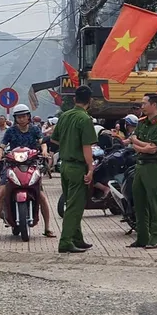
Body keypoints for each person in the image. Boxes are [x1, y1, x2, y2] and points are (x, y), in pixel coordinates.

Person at [0, 104, 55, 238]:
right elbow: (2, 145)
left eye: (24, 116)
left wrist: (45, 151)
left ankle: (47, 228)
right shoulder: (10, 131)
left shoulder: (35, 129)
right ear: (15, 118)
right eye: (19, 117)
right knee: (1, 193)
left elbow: (43, 142)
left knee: (41, 196)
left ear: (28, 117)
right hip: (12, 165)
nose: (22, 119)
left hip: (31, 165)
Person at [52, 85, 97, 254]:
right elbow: (87, 147)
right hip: (78, 167)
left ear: (74, 99)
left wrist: (68, 144)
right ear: (90, 101)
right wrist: (90, 168)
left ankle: (78, 238)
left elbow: (54, 140)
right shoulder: (84, 119)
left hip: (64, 166)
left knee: (72, 202)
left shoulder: (64, 116)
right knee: (74, 206)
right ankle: (66, 241)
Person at [129, 93, 157, 250]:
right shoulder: (142, 122)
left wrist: (137, 144)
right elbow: (138, 143)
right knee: (139, 203)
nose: (142, 106)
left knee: (154, 204)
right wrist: (142, 146)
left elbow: (152, 150)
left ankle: (154, 238)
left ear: (154, 105)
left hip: (153, 167)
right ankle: (142, 237)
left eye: (144, 103)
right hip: (139, 166)